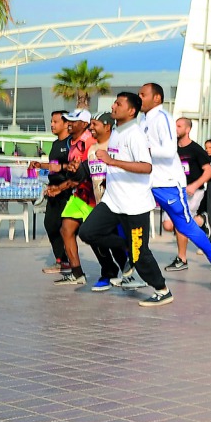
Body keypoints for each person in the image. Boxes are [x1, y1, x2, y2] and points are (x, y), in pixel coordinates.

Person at [79, 93, 174, 306]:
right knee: (87, 232)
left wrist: (112, 161)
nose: (113, 106)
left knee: (140, 256)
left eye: (118, 104)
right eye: (114, 102)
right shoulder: (117, 133)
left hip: (134, 205)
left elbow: (146, 167)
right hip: (112, 201)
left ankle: (162, 290)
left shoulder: (135, 134)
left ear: (131, 111)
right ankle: (129, 248)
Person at [137, 83, 211, 287]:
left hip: (169, 184)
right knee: (129, 215)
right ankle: (130, 269)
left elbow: (169, 152)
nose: (139, 98)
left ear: (157, 98)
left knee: (183, 226)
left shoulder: (163, 119)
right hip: (149, 183)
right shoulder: (142, 120)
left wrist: (145, 151)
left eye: (143, 95)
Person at [81, 113, 136, 291]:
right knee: (96, 239)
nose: (91, 128)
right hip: (100, 204)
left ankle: (126, 275)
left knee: (114, 241)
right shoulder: (91, 150)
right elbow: (88, 175)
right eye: (90, 125)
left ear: (107, 126)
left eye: (94, 124)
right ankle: (109, 272)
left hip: (118, 205)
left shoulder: (116, 147)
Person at [50, 109, 97, 285]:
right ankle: (77, 274)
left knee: (97, 237)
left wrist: (60, 187)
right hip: (79, 195)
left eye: (73, 121)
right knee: (66, 229)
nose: (69, 124)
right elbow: (74, 170)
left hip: (92, 196)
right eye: (68, 120)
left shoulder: (89, 143)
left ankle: (123, 268)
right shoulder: (72, 142)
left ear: (84, 124)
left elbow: (84, 174)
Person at [163, 119, 211, 270]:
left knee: (180, 223)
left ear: (188, 129)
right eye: (174, 126)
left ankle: (182, 259)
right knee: (167, 225)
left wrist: (194, 185)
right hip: (174, 191)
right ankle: (200, 221)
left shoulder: (196, 149)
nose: (175, 129)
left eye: (179, 126)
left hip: (193, 192)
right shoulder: (172, 149)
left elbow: (209, 171)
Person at [33, 110, 71, 275]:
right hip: (52, 190)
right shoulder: (55, 144)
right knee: (50, 224)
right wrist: (41, 166)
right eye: (51, 121)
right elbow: (54, 165)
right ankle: (61, 260)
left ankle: (70, 261)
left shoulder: (71, 143)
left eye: (55, 122)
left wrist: (62, 186)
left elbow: (73, 168)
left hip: (68, 191)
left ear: (65, 123)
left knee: (67, 228)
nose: (52, 125)